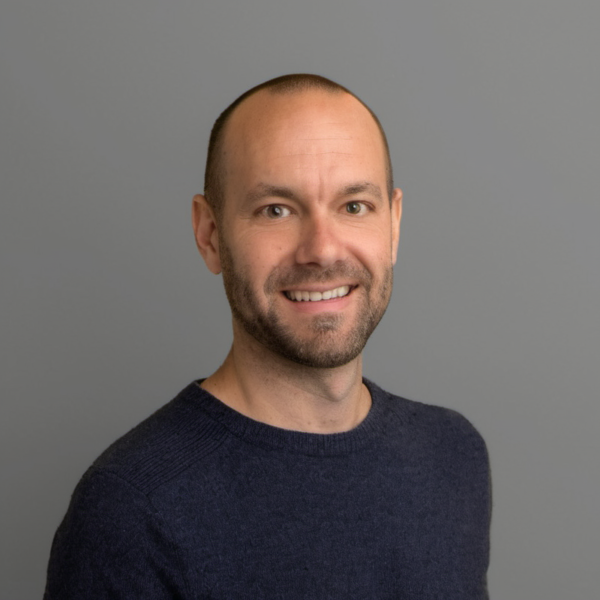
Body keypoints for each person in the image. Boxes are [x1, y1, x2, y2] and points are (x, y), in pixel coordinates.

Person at [44, 74, 491, 599]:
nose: (322, 250)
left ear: (393, 225)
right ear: (210, 235)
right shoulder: (131, 512)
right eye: (276, 209)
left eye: (353, 206)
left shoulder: (451, 455)